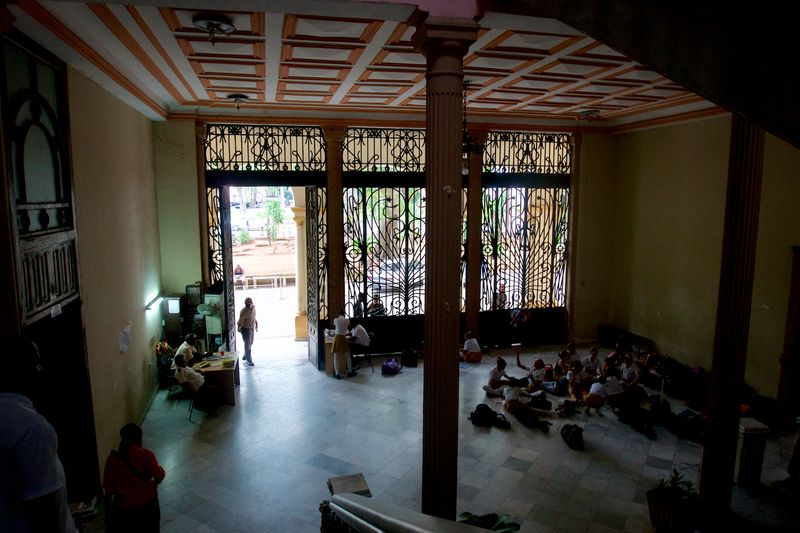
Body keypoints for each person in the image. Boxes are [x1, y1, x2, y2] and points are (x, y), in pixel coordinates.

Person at [0, 335, 78, 533]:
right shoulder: (31, 428)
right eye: (35, 362)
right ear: (17, 369)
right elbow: (43, 510)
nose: (40, 369)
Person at [103, 423, 165, 532]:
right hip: (148, 505)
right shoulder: (145, 454)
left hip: (123, 509)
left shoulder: (112, 459)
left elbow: (108, 488)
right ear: (139, 438)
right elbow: (160, 475)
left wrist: (108, 512)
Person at [331, 309, 355, 378]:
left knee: (336, 357)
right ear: (344, 314)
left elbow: (335, 327)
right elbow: (347, 328)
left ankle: (337, 374)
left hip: (337, 338)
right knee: (347, 356)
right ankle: (350, 372)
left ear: (338, 314)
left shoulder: (336, 320)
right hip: (343, 338)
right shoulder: (347, 320)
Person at [237, 297, 258, 366]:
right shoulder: (244, 311)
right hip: (245, 329)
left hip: (251, 328)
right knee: (247, 343)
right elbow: (240, 320)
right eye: (246, 303)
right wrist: (239, 328)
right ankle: (249, 359)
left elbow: (254, 317)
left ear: (251, 303)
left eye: (249, 303)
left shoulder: (254, 308)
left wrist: (256, 325)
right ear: (245, 304)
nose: (248, 304)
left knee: (250, 343)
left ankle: (245, 354)